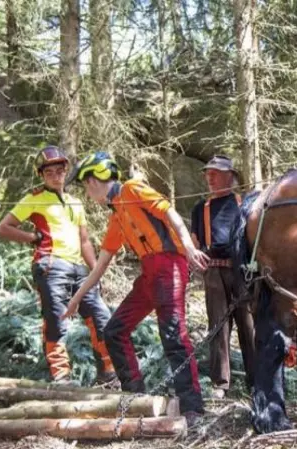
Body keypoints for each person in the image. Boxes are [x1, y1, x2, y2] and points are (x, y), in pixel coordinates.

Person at [63, 152, 209, 425]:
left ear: (94, 180)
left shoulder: (132, 188)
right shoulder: (117, 214)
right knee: (114, 331)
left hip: (169, 266)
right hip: (149, 274)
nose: (87, 192)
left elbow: (168, 210)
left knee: (173, 335)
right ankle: (136, 398)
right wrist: (76, 299)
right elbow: (101, 263)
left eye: (85, 185)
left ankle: (193, 407)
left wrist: (188, 247)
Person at [0, 146, 117, 386]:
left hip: (79, 269)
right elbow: (3, 228)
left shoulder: (75, 203)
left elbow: (84, 241)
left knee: (99, 315)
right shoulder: (34, 199)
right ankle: (61, 376)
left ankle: (108, 373)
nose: (55, 175)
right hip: (51, 265)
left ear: (65, 171)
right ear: (41, 175)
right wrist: (32, 238)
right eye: (48, 171)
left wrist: (96, 271)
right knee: (56, 319)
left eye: (59, 170)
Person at [190, 155, 255, 398]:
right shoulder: (201, 208)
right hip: (214, 272)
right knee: (218, 327)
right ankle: (221, 383)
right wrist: (194, 255)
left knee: (248, 326)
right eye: (208, 173)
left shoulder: (244, 204)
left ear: (230, 176)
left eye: (215, 173)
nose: (210, 177)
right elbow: (194, 242)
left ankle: (256, 380)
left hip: (241, 273)